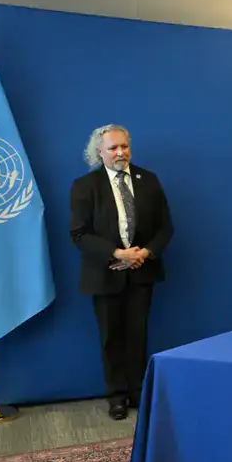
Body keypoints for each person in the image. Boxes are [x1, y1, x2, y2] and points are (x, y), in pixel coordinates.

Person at [70, 124, 174, 420]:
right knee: (111, 338)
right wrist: (117, 254)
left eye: (124, 146)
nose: (120, 153)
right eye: (113, 148)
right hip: (105, 274)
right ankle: (116, 396)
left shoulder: (148, 180)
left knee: (138, 335)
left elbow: (165, 227)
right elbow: (79, 234)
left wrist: (144, 253)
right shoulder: (85, 186)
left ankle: (139, 392)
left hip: (141, 272)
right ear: (99, 152)